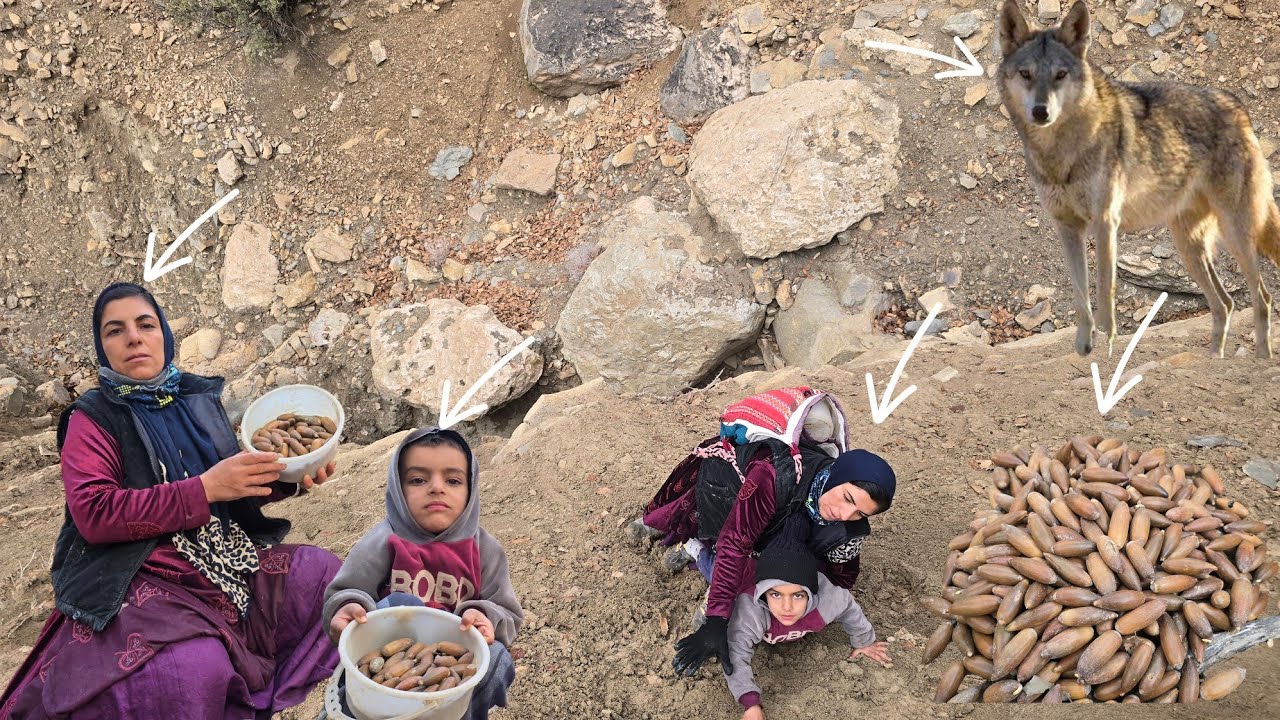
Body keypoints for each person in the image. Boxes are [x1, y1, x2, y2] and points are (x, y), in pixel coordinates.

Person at [0, 282, 342, 719]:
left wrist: (290, 478)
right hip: (141, 569)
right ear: (102, 348)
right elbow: (94, 514)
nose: (134, 338)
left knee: (324, 577)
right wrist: (204, 490)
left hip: (220, 558)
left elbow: (229, 488)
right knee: (193, 667)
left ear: (164, 332)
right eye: (115, 330)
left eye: (145, 324)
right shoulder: (92, 417)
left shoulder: (193, 400)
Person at [629, 409, 897, 678]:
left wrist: (810, 602)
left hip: (780, 525)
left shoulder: (849, 531)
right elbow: (735, 544)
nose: (845, 515)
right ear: (836, 477)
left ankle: (706, 560)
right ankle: (694, 547)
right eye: (848, 499)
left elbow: (841, 580)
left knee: (778, 564)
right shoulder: (773, 475)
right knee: (730, 549)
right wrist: (717, 619)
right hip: (731, 490)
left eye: (861, 513)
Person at [323, 427, 522, 720]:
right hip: (385, 665)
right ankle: (345, 711)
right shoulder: (381, 541)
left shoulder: (486, 550)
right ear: (397, 488)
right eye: (418, 479)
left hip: (451, 674)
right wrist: (348, 609)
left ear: (471, 488)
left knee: (497, 660)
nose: (436, 487)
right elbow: (345, 592)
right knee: (402, 603)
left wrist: (485, 618)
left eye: (453, 480)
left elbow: (508, 612)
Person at [724, 517, 891, 720]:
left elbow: (848, 606)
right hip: (744, 572)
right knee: (713, 566)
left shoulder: (828, 600)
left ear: (811, 594)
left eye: (798, 595)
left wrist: (864, 642)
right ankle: (693, 549)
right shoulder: (752, 609)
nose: (787, 607)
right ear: (765, 594)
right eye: (776, 595)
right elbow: (736, 651)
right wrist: (750, 703)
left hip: (802, 566)